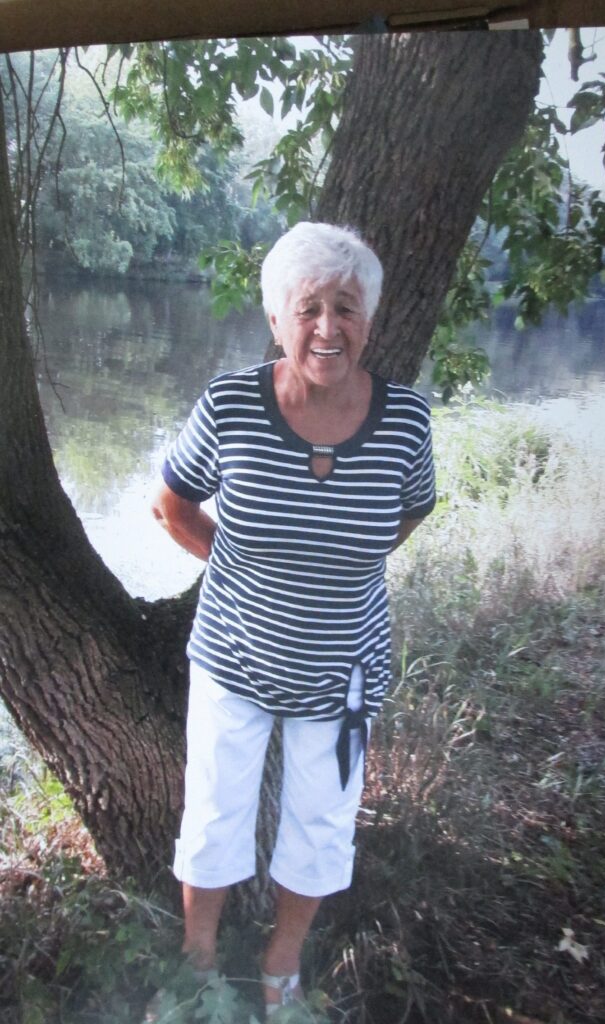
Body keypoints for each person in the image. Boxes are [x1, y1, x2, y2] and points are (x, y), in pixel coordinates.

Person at [151, 221, 436, 1015]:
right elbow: (170, 504)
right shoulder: (232, 404)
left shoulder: (406, 422)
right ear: (277, 318)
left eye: (345, 307)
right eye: (307, 307)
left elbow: (409, 511)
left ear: (369, 320)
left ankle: (281, 970)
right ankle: (198, 966)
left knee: (320, 825)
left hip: (345, 669)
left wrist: (332, 566)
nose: (326, 328)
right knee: (214, 817)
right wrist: (242, 572)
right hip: (233, 656)